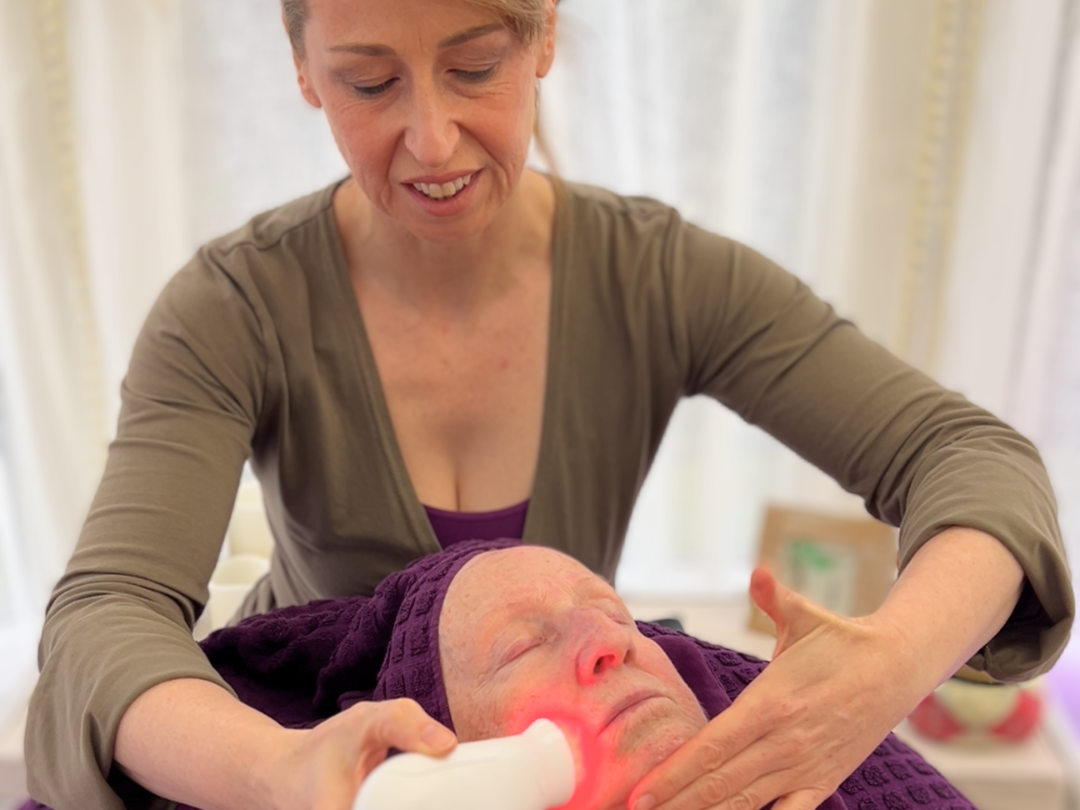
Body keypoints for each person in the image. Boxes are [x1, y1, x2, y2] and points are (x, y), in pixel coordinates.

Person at [23, 1, 1073, 810]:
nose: (430, 140)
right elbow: (106, 619)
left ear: (544, 39)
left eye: (475, 67)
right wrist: (287, 771)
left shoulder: (658, 278)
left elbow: (972, 460)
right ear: (303, 68)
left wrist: (882, 669)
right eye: (367, 82)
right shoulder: (233, 309)